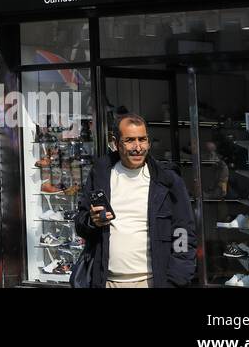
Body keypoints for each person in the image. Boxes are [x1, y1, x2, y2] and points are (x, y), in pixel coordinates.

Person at [75, 113, 197, 288]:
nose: (138, 147)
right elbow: (80, 223)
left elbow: (183, 232)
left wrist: (176, 279)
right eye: (130, 140)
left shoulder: (167, 179)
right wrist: (91, 222)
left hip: (152, 282)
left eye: (143, 139)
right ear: (115, 143)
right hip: (107, 282)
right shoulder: (101, 173)